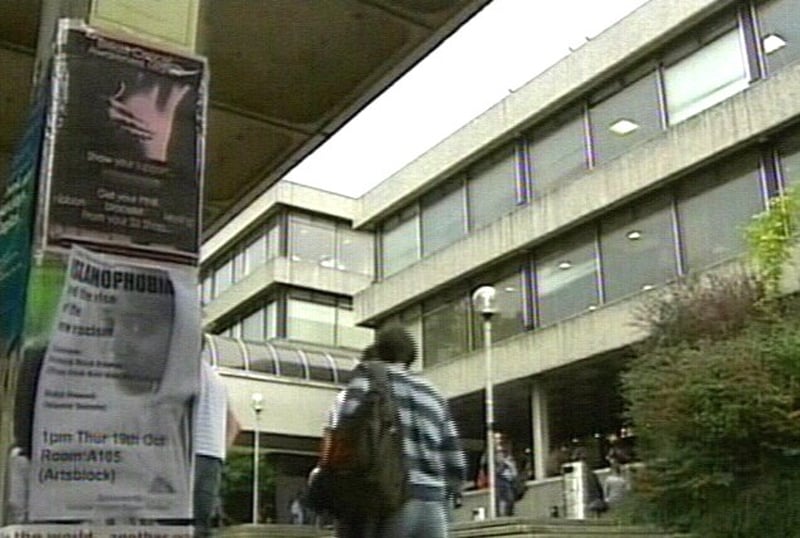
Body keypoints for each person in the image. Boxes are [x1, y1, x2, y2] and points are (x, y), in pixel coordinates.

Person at [333, 326, 466, 538]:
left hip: (391, 497)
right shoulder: (433, 393)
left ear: (380, 349)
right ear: (411, 355)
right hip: (433, 503)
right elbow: (455, 458)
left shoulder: (368, 376)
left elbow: (346, 427)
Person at [193, 360, 240, 537]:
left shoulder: (183, 372)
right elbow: (235, 425)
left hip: (186, 454)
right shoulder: (217, 380)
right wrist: (220, 453)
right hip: (212, 457)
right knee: (201, 525)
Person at [479, 432, 519, 517]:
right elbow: (489, 468)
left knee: (510, 499)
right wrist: (503, 463)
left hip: (510, 479)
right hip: (500, 478)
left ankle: (507, 514)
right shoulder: (491, 454)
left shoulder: (507, 453)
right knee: (505, 498)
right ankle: (503, 514)